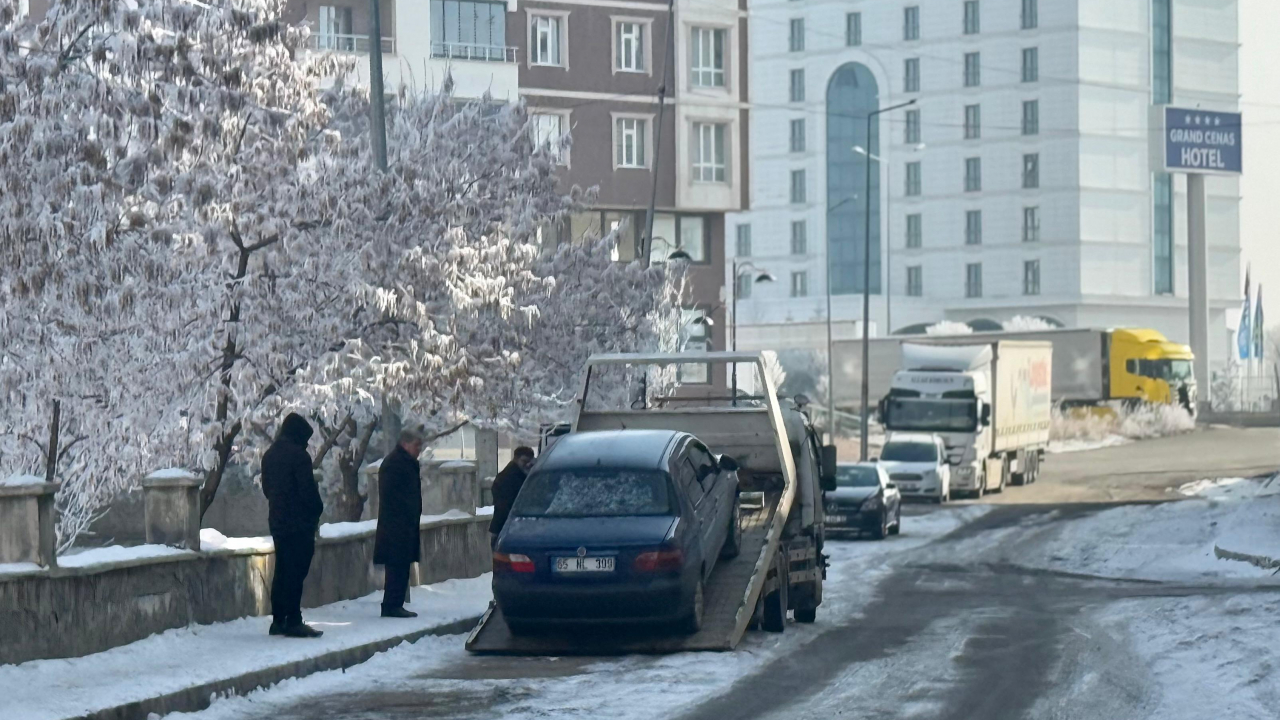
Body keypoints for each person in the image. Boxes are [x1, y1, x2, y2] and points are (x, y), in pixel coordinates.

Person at [261, 412, 325, 638]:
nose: (307, 444)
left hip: (278, 521)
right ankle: (293, 619)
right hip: (299, 522)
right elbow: (308, 491)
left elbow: (267, 489)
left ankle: (279, 619)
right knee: (296, 571)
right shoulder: (299, 457)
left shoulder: (269, 455)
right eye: (305, 439)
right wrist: (317, 509)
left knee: (282, 569)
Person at [374, 428, 425, 618]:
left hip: (404, 523)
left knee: (402, 564)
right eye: (416, 445)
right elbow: (393, 495)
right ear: (405, 444)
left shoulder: (405, 462)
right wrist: (406, 512)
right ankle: (392, 604)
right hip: (396, 524)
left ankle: (395, 603)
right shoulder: (395, 464)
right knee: (396, 564)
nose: (419, 449)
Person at [489, 446, 536, 548]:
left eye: (530, 461)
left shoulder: (513, 474)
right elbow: (504, 505)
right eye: (524, 461)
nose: (527, 464)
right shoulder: (510, 477)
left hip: (504, 525)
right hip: (508, 526)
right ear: (516, 459)